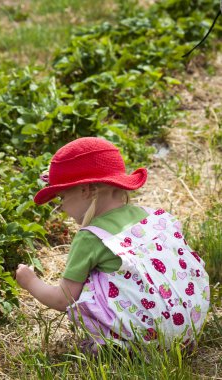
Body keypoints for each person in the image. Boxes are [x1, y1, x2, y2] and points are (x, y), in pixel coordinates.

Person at [16, 137, 210, 352]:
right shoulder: (153, 216)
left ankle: (118, 345)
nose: (61, 207)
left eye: (62, 197)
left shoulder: (90, 237)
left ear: (86, 190)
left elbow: (63, 300)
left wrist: (30, 281)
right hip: (191, 322)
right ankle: (171, 337)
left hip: (149, 337)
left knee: (90, 286)